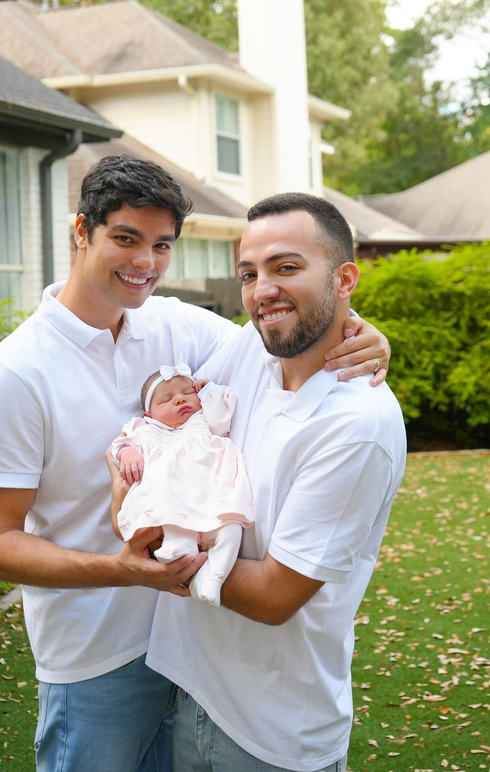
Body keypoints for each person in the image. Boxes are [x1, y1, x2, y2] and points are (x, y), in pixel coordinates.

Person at [0, 153, 391, 772]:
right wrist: (122, 570)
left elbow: (281, 329)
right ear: (81, 232)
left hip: (191, 651)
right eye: (126, 238)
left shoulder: (172, 326)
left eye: (161, 245)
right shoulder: (14, 375)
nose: (145, 263)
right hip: (95, 659)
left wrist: (366, 334)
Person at [145, 193, 407, 772]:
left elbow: (273, 597)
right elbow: (166, 414)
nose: (262, 289)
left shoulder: (356, 425)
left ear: (345, 279)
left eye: (286, 267)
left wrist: (153, 548)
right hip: (195, 689)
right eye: (249, 273)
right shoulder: (252, 353)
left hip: (271, 733)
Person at [112, 363, 254, 607]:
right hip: (174, 495)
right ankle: (178, 544)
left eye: (188, 393)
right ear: (149, 414)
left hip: (214, 489)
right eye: (166, 399)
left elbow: (222, 420)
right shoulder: (144, 428)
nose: (180, 400)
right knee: (170, 510)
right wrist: (127, 454)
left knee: (230, 528)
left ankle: (214, 579)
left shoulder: (203, 419)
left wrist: (208, 392)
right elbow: (120, 445)